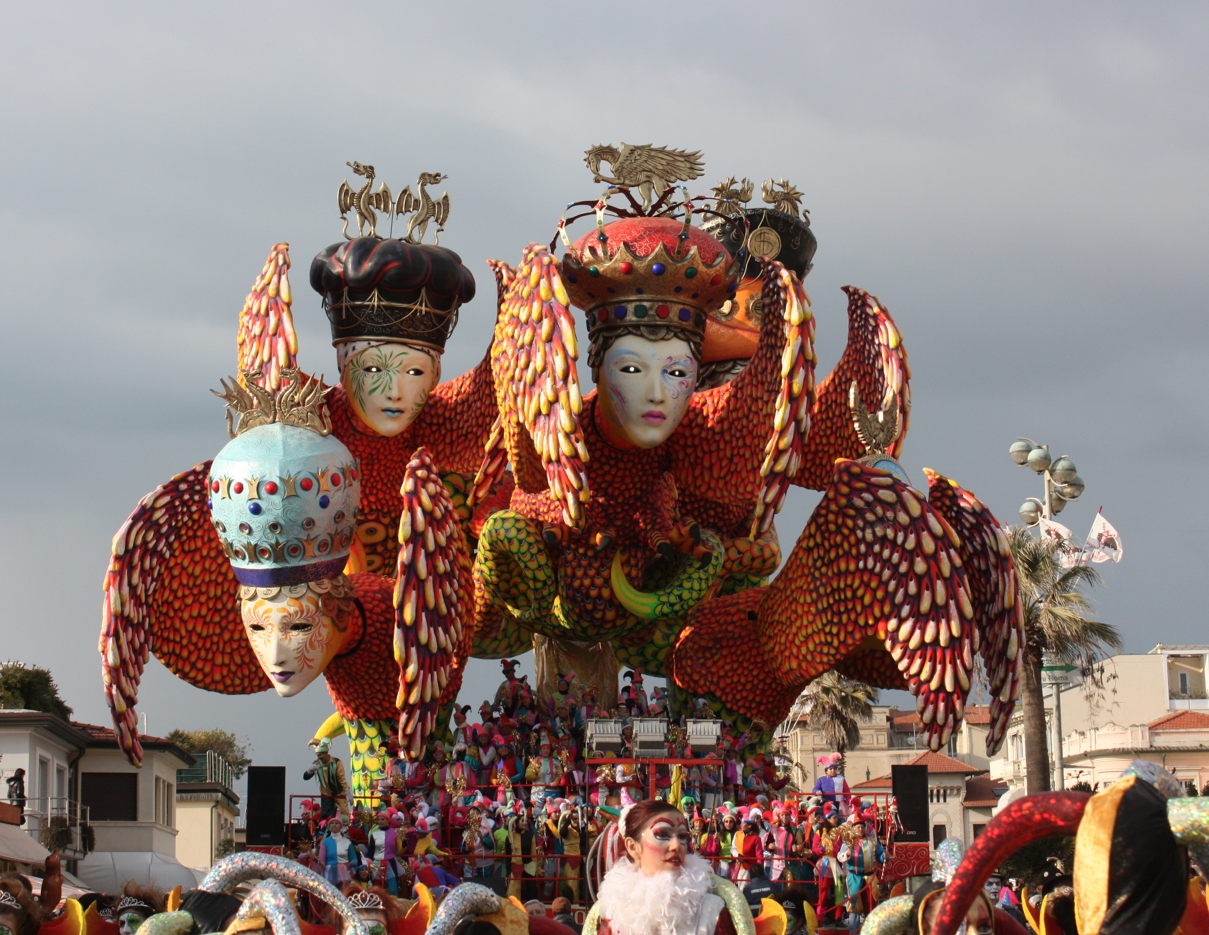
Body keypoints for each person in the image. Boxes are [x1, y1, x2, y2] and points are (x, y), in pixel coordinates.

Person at [584, 799, 753, 935]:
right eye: (662, 835)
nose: (676, 846)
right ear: (633, 846)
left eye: (681, 836)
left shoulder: (711, 910)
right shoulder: (610, 910)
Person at [305, 739, 351, 821]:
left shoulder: (336, 762)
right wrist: (309, 771)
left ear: (326, 753)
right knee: (326, 816)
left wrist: (347, 792)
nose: (319, 758)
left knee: (343, 815)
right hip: (326, 793)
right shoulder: (317, 763)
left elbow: (341, 778)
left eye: (321, 755)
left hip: (338, 792)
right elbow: (305, 777)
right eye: (318, 755)